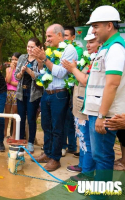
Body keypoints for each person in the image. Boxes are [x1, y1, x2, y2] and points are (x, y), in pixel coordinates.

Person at [82, 5, 125, 183]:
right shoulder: (106, 47)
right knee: (99, 155)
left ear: (109, 25)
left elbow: (112, 84)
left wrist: (101, 115)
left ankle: (101, 195)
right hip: (98, 112)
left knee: (102, 157)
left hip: (105, 114)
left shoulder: (115, 48)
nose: (92, 30)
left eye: (96, 26)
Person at [31, 24, 78, 171]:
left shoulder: (69, 50)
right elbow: (43, 72)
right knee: (46, 125)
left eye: (50, 36)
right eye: (46, 36)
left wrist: (44, 59)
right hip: (47, 93)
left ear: (60, 35)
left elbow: (60, 73)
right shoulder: (50, 50)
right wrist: (40, 61)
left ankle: (55, 158)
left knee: (57, 127)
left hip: (59, 94)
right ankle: (47, 153)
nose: (47, 39)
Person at [62, 26, 100, 181]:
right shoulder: (88, 58)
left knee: (87, 140)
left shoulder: (98, 60)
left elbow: (85, 79)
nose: (88, 45)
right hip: (79, 105)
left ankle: (87, 172)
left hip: (87, 107)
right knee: (82, 138)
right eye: (87, 42)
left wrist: (73, 69)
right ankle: (83, 165)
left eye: (92, 41)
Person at [14, 38, 44, 153]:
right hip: (21, 93)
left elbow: (40, 77)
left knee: (31, 118)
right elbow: (16, 76)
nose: (29, 49)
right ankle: (21, 141)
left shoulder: (40, 59)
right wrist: (21, 72)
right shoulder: (22, 57)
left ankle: (30, 142)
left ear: (37, 47)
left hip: (34, 94)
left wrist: (29, 71)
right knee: (20, 118)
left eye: (32, 47)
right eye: (28, 46)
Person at [61, 26, 83, 157]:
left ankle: (71, 146)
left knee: (70, 117)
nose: (64, 38)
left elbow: (68, 66)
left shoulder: (77, 50)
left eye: (67, 36)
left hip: (73, 88)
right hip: (63, 88)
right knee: (64, 118)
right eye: (62, 35)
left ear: (73, 37)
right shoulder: (58, 49)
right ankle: (65, 146)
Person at [4, 52, 21, 139]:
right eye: (12, 59)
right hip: (8, 92)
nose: (14, 61)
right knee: (6, 114)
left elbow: (18, 84)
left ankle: (13, 134)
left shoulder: (20, 70)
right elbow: (7, 79)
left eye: (16, 59)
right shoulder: (8, 69)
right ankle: (4, 133)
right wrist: (11, 69)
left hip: (16, 93)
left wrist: (10, 82)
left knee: (14, 115)